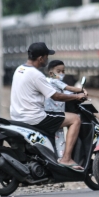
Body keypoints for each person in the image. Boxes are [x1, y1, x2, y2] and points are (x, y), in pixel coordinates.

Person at [10, 42, 88, 170]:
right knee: (75, 119)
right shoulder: (36, 75)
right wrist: (76, 96)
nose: (48, 59)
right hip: (34, 117)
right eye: (47, 56)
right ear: (41, 58)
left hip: (17, 116)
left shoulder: (20, 69)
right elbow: (56, 96)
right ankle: (66, 158)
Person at [44, 60, 88, 158]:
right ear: (51, 73)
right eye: (59, 71)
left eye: (63, 71)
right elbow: (69, 88)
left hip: (47, 113)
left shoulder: (47, 81)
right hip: (57, 114)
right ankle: (62, 157)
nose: (62, 74)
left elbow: (64, 93)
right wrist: (81, 90)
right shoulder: (55, 81)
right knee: (60, 137)